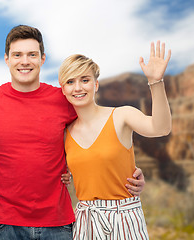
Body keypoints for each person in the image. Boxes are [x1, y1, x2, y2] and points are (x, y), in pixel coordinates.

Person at [0, 25, 146, 239]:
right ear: (6, 59)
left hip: (58, 223)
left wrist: (127, 168)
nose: (24, 61)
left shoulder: (63, 99)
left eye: (32, 55)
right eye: (17, 55)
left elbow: (98, 131)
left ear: (42, 59)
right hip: (6, 223)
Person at [58, 41, 171, 239]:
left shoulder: (122, 116)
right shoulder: (65, 133)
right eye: (70, 82)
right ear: (63, 89)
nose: (77, 88)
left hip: (125, 217)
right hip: (86, 220)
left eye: (85, 80)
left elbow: (161, 128)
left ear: (96, 84)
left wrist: (156, 82)